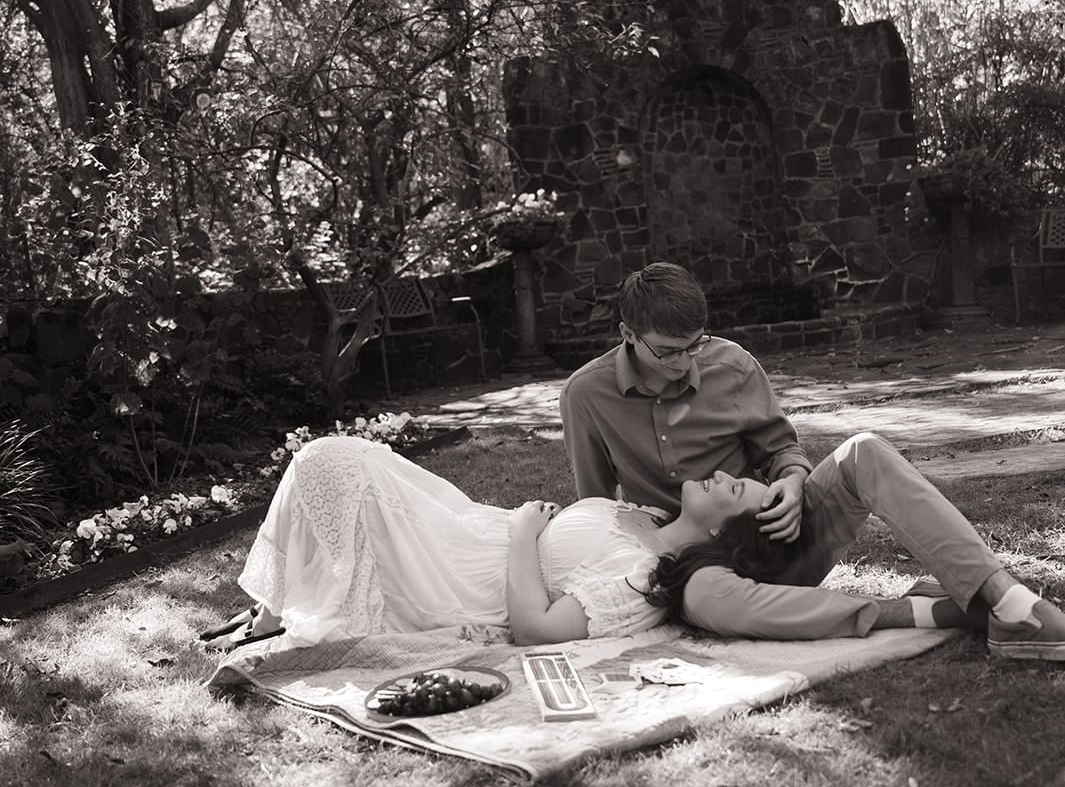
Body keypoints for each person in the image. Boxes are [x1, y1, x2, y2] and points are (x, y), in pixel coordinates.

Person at [560, 262, 1065, 659]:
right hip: (697, 575)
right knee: (704, 599)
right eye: (669, 352)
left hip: (781, 540)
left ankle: (1011, 604)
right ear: (628, 335)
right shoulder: (586, 396)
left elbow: (783, 449)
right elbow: (598, 509)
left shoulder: (732, 365)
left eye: (695, 345)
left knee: (864, 448)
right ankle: (937, 609)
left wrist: (795, 482)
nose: (685, 363)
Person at [199, 432, 668, 651]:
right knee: (330, 457)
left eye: (738, 488)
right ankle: (276, 607)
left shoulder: (650, 574)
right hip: (466, 523)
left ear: (718, 532)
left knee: (329, 460)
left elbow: (535, 630)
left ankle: (272, 615)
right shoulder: (653, 514)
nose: (726, 475)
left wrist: (525, 532)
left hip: (459, 578)